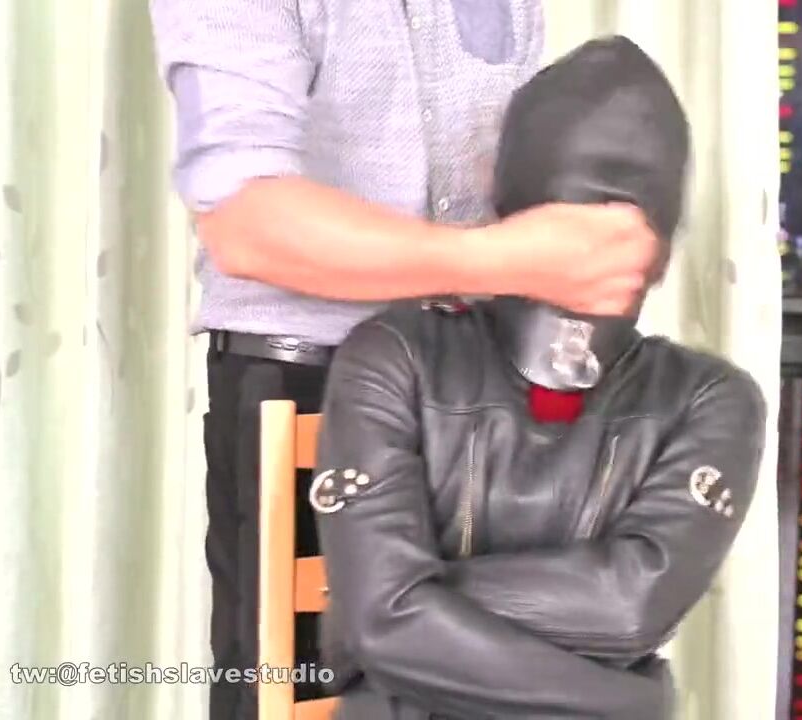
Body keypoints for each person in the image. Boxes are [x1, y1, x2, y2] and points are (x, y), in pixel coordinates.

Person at [147, 2, 661, 718]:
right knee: (307, 695)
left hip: (485, 390)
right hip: (309, 395)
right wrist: (509, 259)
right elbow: (245, 221)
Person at [310, 36, 767, 719]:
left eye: (634, 216)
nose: (606, 243)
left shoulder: (708, 400)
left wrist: (391, 611)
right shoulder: (394, 358)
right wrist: (630, 703)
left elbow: (629, 608)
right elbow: (383, 619)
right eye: (581, 212)